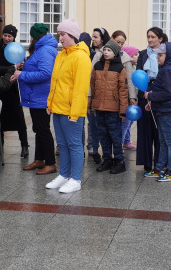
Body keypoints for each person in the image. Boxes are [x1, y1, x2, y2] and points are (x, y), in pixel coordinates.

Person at [46, 18, 91, 193]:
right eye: (59, 34)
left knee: (74, 145)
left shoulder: (81, 57)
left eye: (63, 34)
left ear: (72, 35)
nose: (60, 38)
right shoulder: (61, 55)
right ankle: (64, 175)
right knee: (62, 145)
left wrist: (75, 113)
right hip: (58, 108)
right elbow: (55, 82)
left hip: (72, 111)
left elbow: (80, 88)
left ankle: (76, 179)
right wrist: (50, 103)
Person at [19, 24, 58, 175]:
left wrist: (21, 75)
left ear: (35, 37)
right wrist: (25, 66)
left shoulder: (45, 50)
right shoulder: (41, 48)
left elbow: (46, 73)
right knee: (38, 129)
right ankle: (39, 160)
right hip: (36, 96)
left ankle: (50, 163)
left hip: (42, 97)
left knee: (43, 130)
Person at [143, 41, 171, 182]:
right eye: (157, 54)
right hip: (162, 109)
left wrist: (150, 96)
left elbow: (168, 93)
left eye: (161, 55)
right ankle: (159, 168)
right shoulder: (166, 69)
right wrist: (152, 102)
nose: (157, 57)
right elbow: (162, 89)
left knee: (169, 142)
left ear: (169, 56)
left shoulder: (167, 70)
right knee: (163, 141)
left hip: (166, 111)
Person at [0, 24, 30, 159]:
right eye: (5, 35)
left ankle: (24, 146)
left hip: (12, 88)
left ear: (14, 38)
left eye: (10, 36)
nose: (7, 38)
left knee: (19, 117)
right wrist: (11, 68)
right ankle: (0, 146)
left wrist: (21, 67)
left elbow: (20, 70)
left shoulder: (18, 50)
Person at [89, 39, 128, 174]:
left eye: (109, 50)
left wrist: (123, 111)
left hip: (113, 109)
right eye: (104, 50)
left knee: (115, 136)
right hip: (99, 107)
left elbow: (123, 90)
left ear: (115, 52)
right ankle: (107, 160)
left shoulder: (120, 68)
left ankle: (119, 161)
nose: (105, 52)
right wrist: (91, 104)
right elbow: (92, 86)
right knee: (103, 136)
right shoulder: (97, 66)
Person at [134, 27, 165, 173]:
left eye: (153, 37)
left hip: (159, 93)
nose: (150, 39)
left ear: (160, 39)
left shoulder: (164, 54)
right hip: (144, 92)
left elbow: (166, 76)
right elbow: (139, 73)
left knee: (159, 130)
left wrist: (156, 91)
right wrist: (144, 91)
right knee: (144, 130)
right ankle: (146, 162)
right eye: (148, 37)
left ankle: (159, 162)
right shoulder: (142, 54)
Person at [87, 27, 112, 163]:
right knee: (93, 123)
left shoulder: (108, 52)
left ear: (103, 38)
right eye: (92, 37)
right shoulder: (91, 53)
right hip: (93, 93)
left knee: (102, 124)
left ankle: (104, 150)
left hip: (104, 94)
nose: (93, 39)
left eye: (96, 37)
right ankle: (93, 147)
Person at [111, 31, 139, 149]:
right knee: (125, 123)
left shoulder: (132, 66)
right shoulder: (125, 64)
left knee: (128, 122)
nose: (120, 45)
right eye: (135, 54)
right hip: (123, 98)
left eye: (122, 43)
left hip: (129, 98)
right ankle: (119, 146)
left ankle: (125, 142)